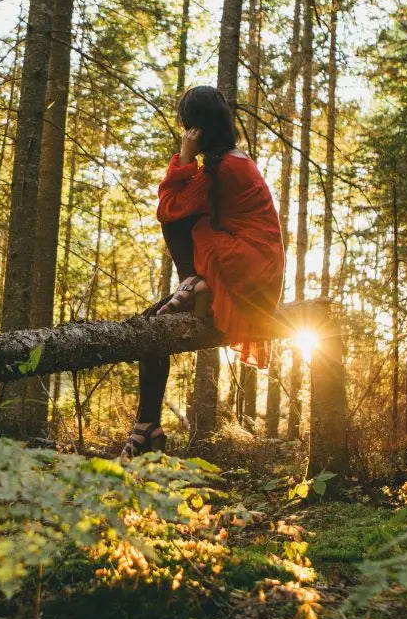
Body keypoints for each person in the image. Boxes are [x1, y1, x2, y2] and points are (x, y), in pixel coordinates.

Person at [120, 85, 285, 460]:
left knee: (179, 220)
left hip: (247, 268)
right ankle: (147, 426)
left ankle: (194, 283)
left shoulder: (223, 169)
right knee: (153, 323)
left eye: (187, 127)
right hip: (254, 268)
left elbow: (168, 209)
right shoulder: (230, 161)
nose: (186, 133)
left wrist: (183, 157)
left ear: (197, 128)